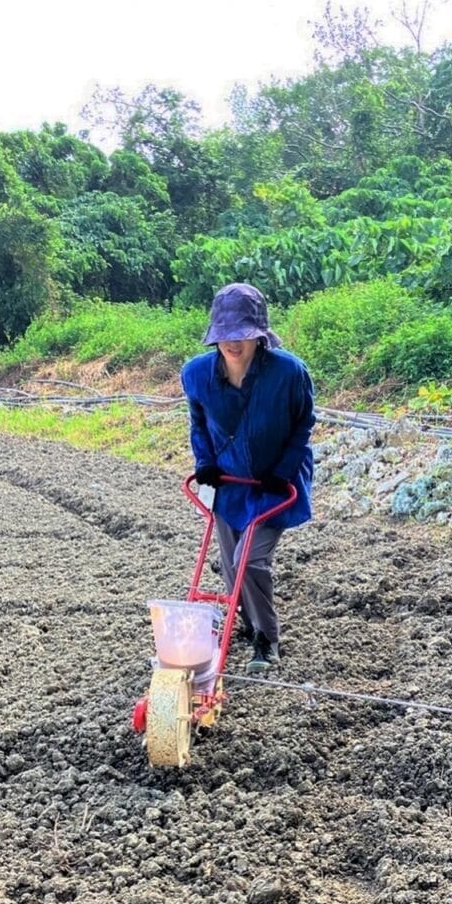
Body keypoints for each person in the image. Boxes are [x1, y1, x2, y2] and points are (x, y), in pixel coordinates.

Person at [180, 283, 315, 671]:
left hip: (275, 484)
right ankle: (244, 623)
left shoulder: (289, 372)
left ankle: (266, 638)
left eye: (241, 334)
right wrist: (204, 463)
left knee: (250, 561)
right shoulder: (197, 374)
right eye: (224, 335)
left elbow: (303, 424)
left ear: (259, 335)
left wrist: (283, 471)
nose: (231, 343)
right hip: (229, 484)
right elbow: (198, 423)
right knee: (229, 564)